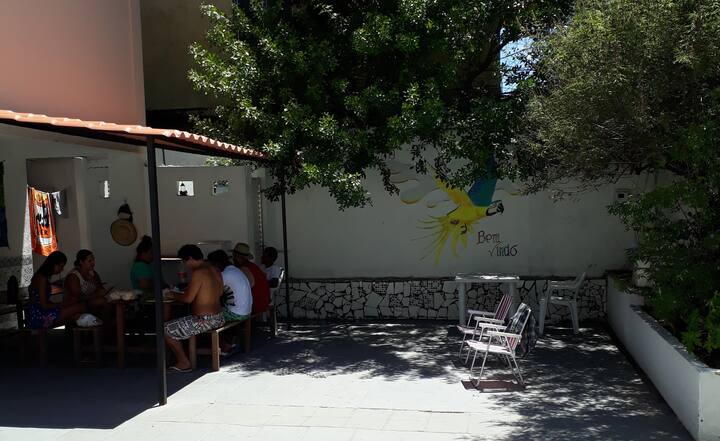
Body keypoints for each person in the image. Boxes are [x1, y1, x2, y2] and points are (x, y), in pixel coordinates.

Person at [164, 244, 224, 372]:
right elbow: (220, 292)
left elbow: (188, 299)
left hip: (205, 320)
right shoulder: (214, 269)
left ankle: (184, 362)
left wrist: (173, 294)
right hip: (219, 317)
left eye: (185, 261)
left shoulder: (198, 272)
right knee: (179, 322)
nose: (185, 265)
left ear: (190, 258)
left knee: (165, 329)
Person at [207, 249, 252, 354]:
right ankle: (228, 341)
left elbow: (211, 291)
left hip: (237, 313)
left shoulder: (225, 274)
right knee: (215, 311)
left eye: (212, 265)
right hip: (246, 310)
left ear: (217, 264)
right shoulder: (234, 270)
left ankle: (224, 345)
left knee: (206, 318)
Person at [28, 251, 86, 329]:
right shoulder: (42, 278)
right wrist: (62, 304)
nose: (62, 269)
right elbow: (44, 305)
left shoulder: (41, 276)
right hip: (40, 315)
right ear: (53, 264)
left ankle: (76, 333)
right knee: (80, 307)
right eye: (61, 266)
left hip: (40, 312)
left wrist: (63, 304)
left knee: (76, 313)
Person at [64, 250, 109, 319]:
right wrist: (96, 295)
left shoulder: (93, 273)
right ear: (81, 262)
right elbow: (77, 298)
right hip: (77, 304)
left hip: (89, 301)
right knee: (102, 301)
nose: (93, 263)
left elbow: (100, 288)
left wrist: (102, 291)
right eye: (90, 261)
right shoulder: (73, 276)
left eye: (93, 260)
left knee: (109, 299)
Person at [232, 242, 269, 315]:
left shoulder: (244, 269)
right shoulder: (253, 266)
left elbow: (242, 290)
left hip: (255, 305)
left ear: (237, 257)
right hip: (262, 302)